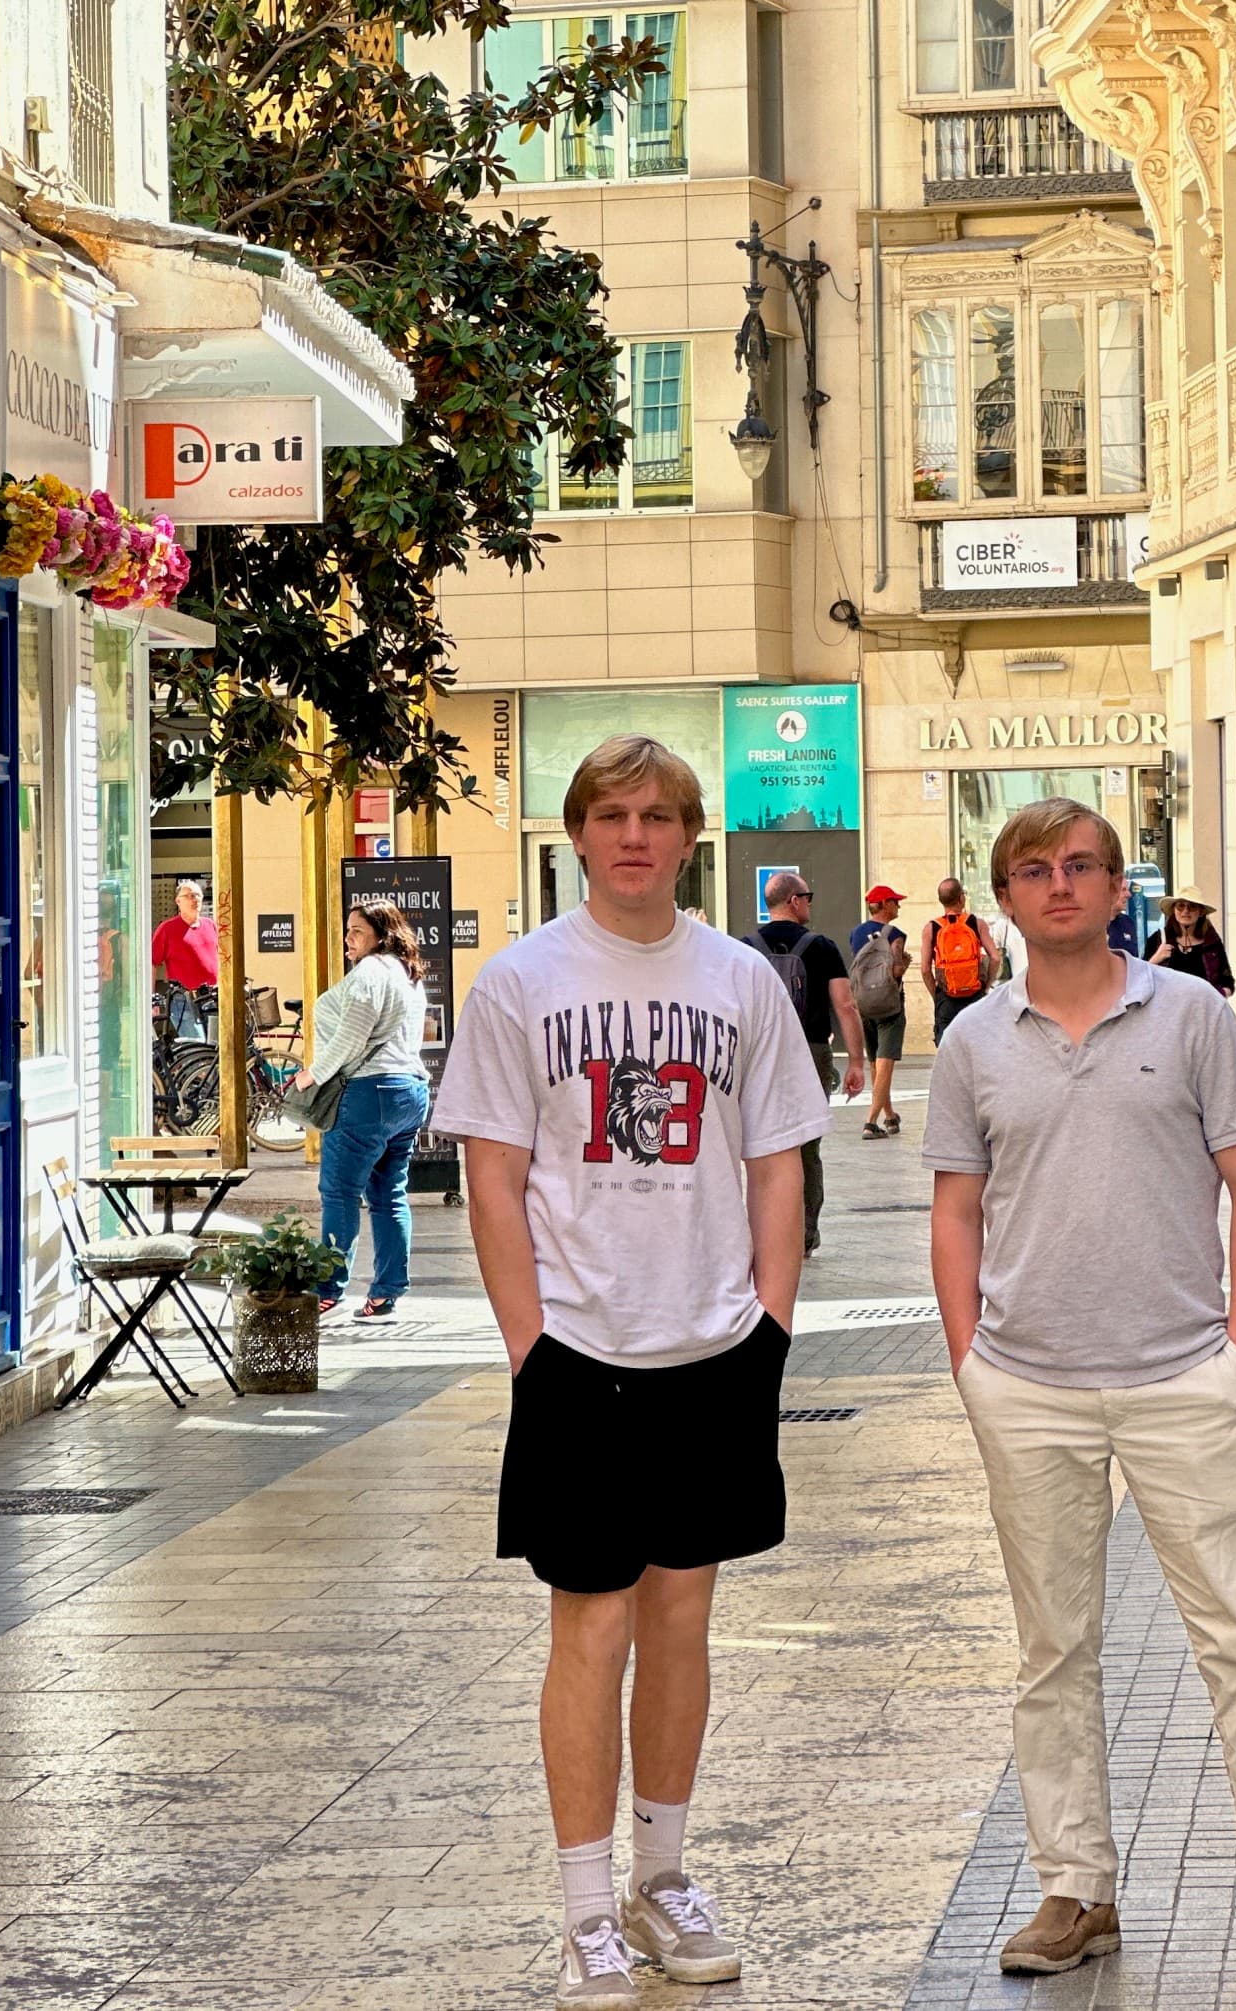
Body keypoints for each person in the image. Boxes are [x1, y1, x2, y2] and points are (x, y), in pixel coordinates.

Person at [925, 797, 1236, 1993]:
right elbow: (955, 1209)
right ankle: (1075, 1889)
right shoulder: (972, 1043)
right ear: (1005, 897)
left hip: (1182, 1378)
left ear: (1116, 887)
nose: (1057, 886)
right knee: (1051, 1649)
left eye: (1079, 866)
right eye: (1033, 871)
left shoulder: (1191, 1013)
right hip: (1026, 1385)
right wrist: (969, 1363)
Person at [436, 735, 826, 2005]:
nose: (634, 836)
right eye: (611, 815)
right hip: (579, 1354)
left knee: (682, 1619)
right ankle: (586, 1906)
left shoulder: (739, 980)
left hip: (713, 1345)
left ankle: (662, 1880)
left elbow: (777, 1159)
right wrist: (524, 1340)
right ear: (578, 834)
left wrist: (771, 1322)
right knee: (590, 1625)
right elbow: (489, 1174)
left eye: (657, 816)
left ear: (690, 835)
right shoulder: (520, 983)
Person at [302, 902, 432, 1321]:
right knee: (389, 1194)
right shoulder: (409, 975)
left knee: (339, 1193)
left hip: (368, 1092)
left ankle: (328, 1289)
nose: (348, 939)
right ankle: (387, 1291)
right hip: (409, 1092)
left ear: (381, 934)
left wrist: (312, 1076)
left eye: (357, 931)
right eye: (348, 931)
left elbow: (350, 1038)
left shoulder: (370, 973)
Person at [751, 873, 865, 1252]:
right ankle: (804, 1234)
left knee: (759, 1143)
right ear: (794, 901)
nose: (810, 904)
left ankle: (764, 1231)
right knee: (806, 1146)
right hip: (810, 1052)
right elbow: (845, 1006)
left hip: (759, 1055)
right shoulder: (822, 947)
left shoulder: (745, 947)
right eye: (808, 897)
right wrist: (856, 1062)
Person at [848, 883, 910, 1139]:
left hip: (863, 1003)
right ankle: (870, 1122)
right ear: (884, 905)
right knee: (885, 1064)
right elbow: (895, 970)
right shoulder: (896, 934)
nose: (898, 905)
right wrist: (904, 965)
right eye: (894, 901)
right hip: (889, 1005)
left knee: (874, 1062)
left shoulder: (856, 933)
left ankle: (889, 1115)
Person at [920, 876, 999, 1046]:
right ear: (961, 898)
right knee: (977, 1050)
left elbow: (925, 970)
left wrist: (937, 995)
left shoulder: (931, 928)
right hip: (974, 995)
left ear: (941, 900)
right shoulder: (976, 924)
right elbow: (995, 958)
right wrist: (985, 986)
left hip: (946, 997)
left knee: (947, 1053)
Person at [150, 880, 219, 1039]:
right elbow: (152, 963)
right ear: (178, 901)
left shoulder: (210, 925)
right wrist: (152, 1000)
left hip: (211, 997)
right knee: (197, 1046)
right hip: (184, 999)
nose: (194, 900)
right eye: (188, 896)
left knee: (216, 1047)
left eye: (197, 896)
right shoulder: (167, 929)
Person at [1149, 890, 1235, 995]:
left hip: (1203, 1009)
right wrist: (1156, 958)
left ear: (1201, 912)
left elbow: (1228, 982)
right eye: (1181, 906)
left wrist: (1215, 997)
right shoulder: (1158, 940)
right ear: (1174, 910)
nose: (1186, 911)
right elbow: (1141, 978)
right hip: (1169, 1008)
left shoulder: (1212, 942)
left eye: (1192, 906)